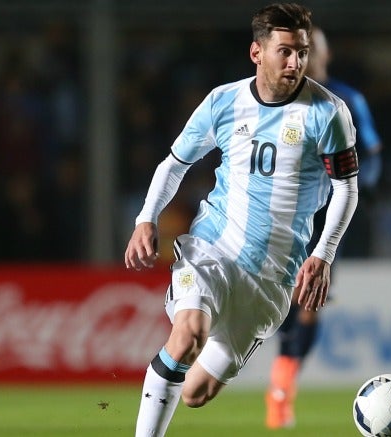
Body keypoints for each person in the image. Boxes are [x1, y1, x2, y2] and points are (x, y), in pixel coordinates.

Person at [124, 4, 359, 436]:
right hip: (214, 248)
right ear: (257, 53)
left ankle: (175, 371)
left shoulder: (328, 113)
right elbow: (175, 163)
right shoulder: (223, 102)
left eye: (302, 52)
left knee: (196, 392)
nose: (296, 63)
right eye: (285, 52)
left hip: (272, 278)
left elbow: (346, 187)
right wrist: (146, 218)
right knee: (188, 334)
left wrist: (322, 255)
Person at [265, 26, 383, 430]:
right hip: (282, 218)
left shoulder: (348, 101)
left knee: (310, 303)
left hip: (328, 220)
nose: (304, 58)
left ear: (325, 57)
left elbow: (372, 152)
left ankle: (283, 384)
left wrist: (354, 186)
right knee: (282, 301)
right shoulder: (276, 100)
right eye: (297, 51)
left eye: (310, 51)